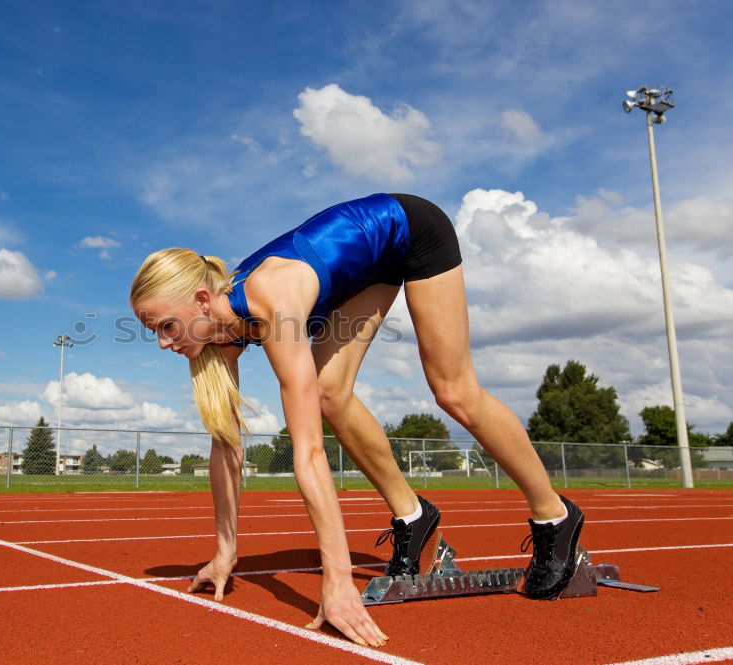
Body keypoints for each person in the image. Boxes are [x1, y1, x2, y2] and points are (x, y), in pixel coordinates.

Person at [129, 193, 584, 647]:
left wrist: (338, 581)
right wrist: (225, 553)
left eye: (166, 326)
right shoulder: (219, 340)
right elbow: (226, 446)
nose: (163, 343)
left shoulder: (270, 298)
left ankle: (554, 517)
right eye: (154, 332)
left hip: (407, 230)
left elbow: (308, 452)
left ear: (203, 300)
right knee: (331, 394)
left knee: (453, 390)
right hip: (359, 272)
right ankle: (414, 515)